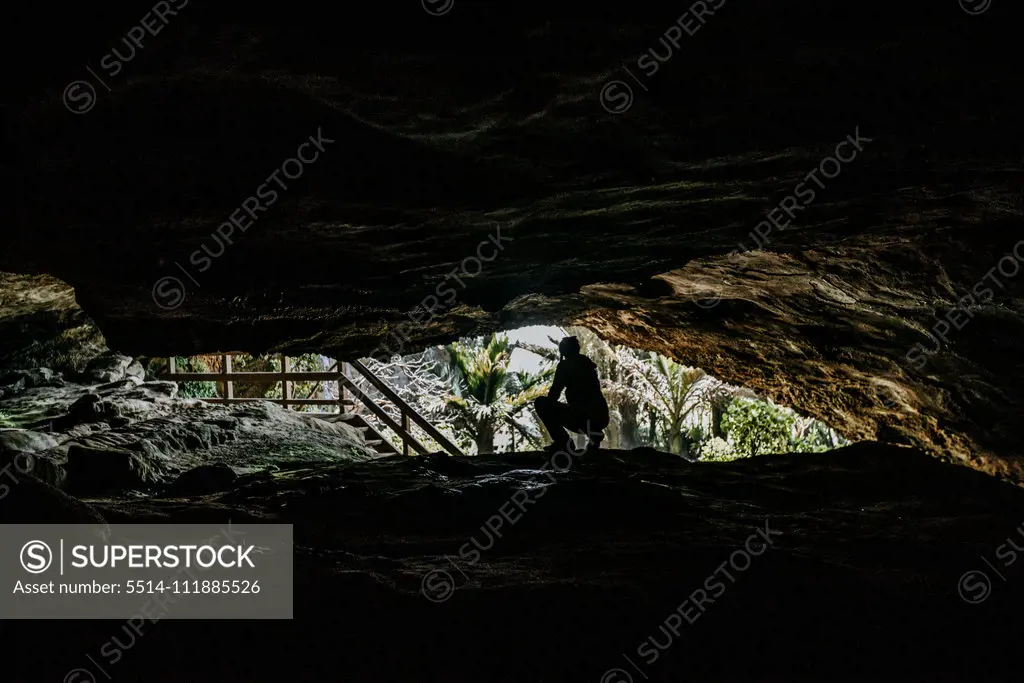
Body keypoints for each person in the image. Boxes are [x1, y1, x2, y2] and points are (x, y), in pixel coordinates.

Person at [534, 336, 610, 454]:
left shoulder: (566, 365)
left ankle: (563, 442)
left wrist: (549, 408)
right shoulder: (587, 363)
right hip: (601, 418)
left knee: (541, 402)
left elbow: (554, 393)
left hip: (582, 417)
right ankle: (594, 433)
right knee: (581, 411)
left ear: (564, 351)